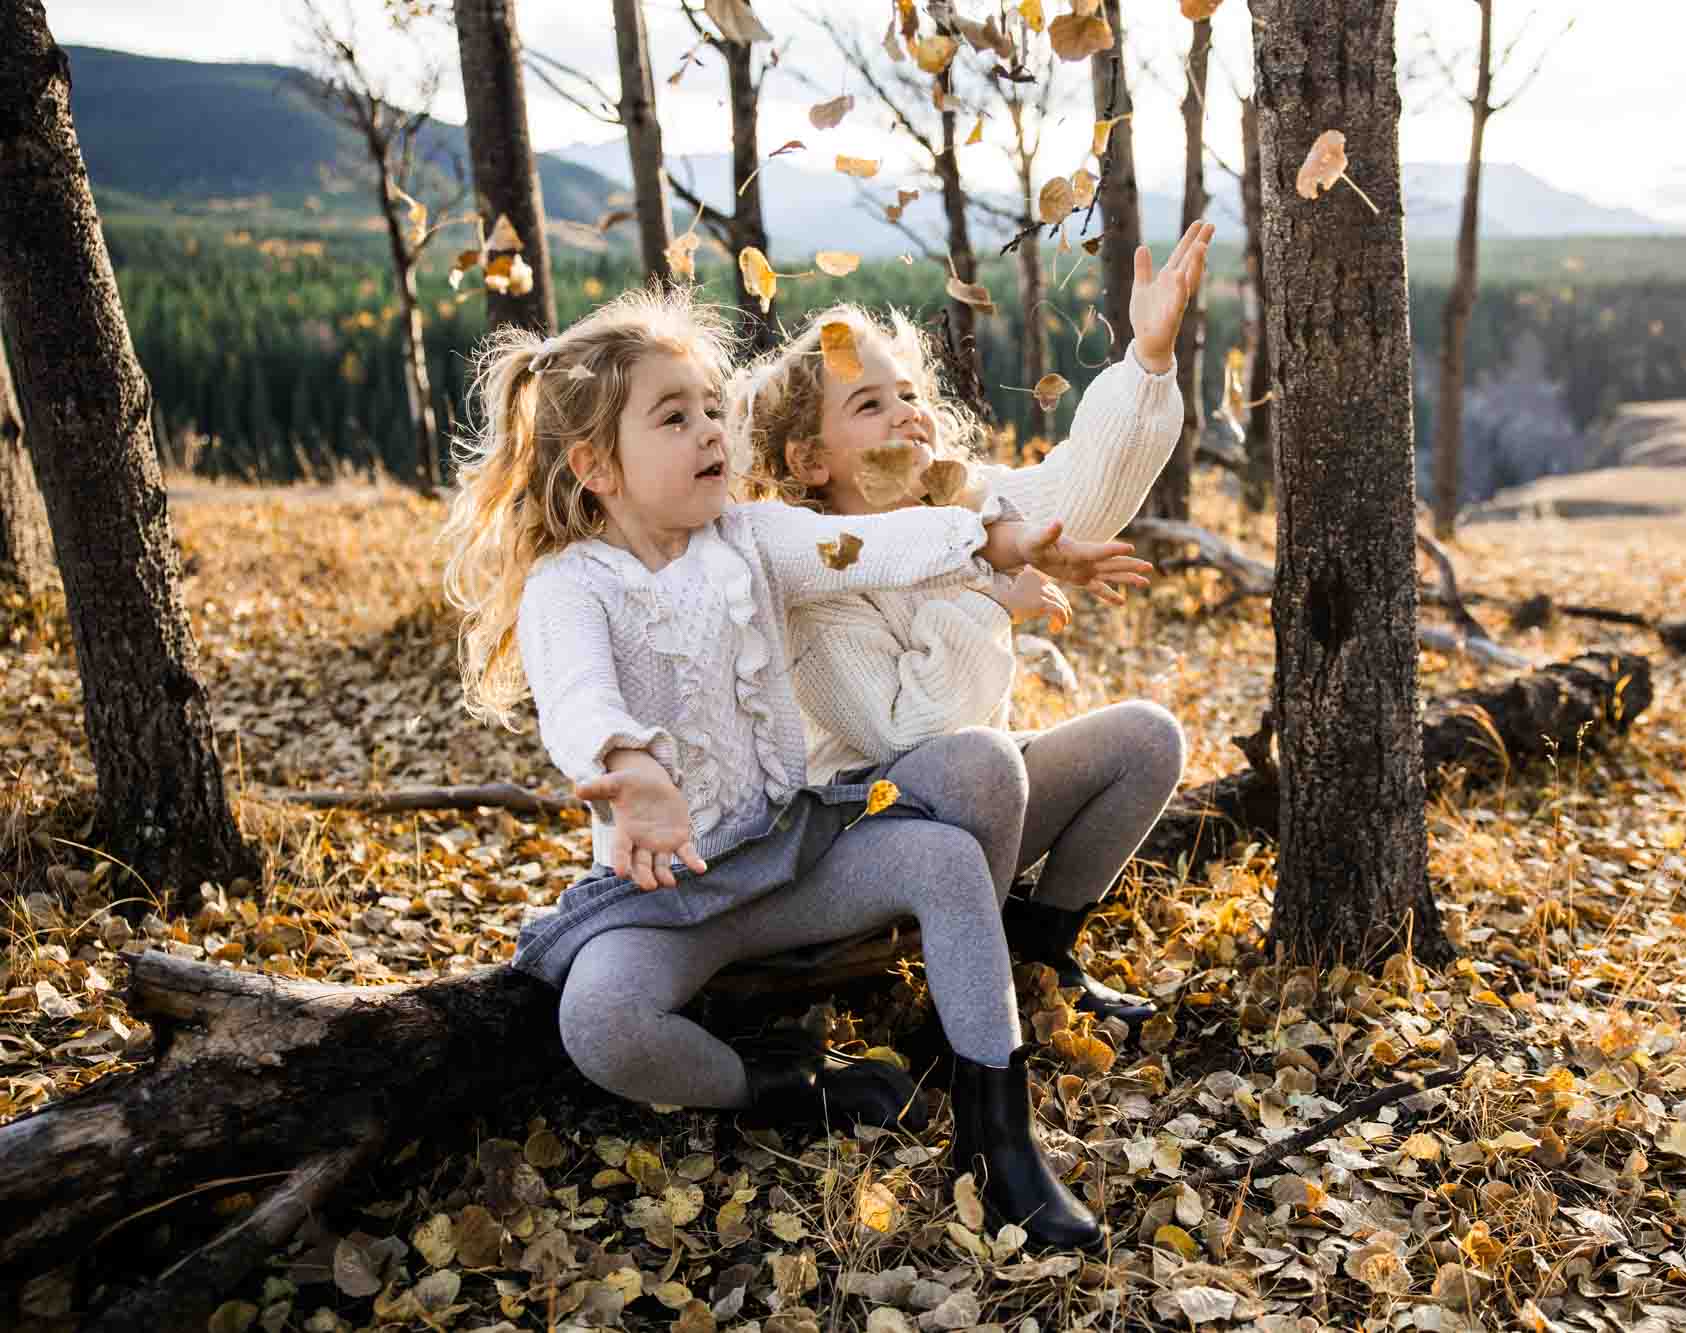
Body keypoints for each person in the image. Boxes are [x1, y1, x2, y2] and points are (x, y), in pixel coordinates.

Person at [440, 285, 1145, 1246]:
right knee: (598, 1019)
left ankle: (997, 1136)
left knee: (942, 859)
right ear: (597, 464)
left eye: (709, 411)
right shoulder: (570, 588)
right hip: (670, 891)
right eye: (674, 418)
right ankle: (777, 1088)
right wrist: (630, 765)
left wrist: (999, 539)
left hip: (793, 851)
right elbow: (576, 700)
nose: (708, 433)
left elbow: (868, 545)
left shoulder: (754, 539)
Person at [732, 221, 1214, 1035]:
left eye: (910, 394)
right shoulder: (810, 577)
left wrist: (1148, 360)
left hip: (982, 802)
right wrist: (993, 597)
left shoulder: (960, 505)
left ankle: (1041, 946)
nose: (909, 416)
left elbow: (1074, 499)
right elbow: (907, 729)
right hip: (871, 830)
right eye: (871, 405)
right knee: (983, 760)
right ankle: (963, 996)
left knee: (1148, 738)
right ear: (812, 460)